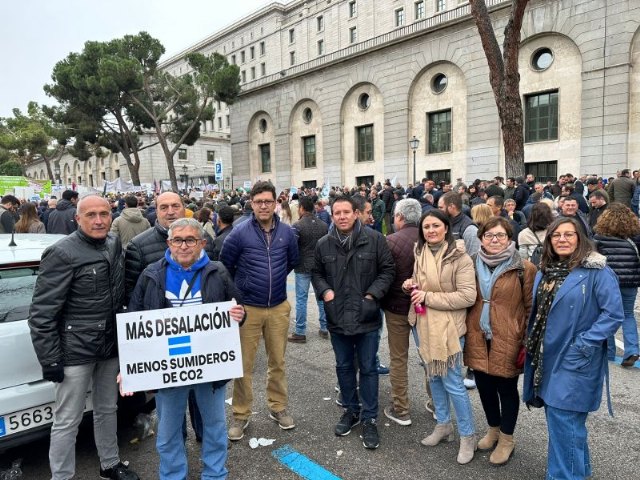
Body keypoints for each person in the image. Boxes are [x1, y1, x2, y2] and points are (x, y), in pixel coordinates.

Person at [28, 195, 138, 480]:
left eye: (104, 213)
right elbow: (42, 313)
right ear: (78, 218)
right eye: (91, 215)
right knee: (67, 420)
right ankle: (62, 477)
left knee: (107, 409)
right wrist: (50, 359)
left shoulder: (113, 243)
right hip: (74, 351)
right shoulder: (62, 253)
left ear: (111, 215)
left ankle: (109, 464)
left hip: (110, 346)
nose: (99, 220)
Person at [127, 218, 245, 480]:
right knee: (168, 431)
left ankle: (215, 474)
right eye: (178, 240)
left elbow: (238, 309)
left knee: (214, 427)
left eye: (190, 240)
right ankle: (172, 475)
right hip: (168, 368)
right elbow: (135, 318)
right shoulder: (151, 274)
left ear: (202, 243)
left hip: (210, 368)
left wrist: (240, 314)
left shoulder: (218, 271)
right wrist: (130, 364)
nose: (184, 245)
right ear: (169, 243)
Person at [523, 217, 623, 479]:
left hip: (575, 358)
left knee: (564, 422)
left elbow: (613, 314)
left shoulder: (597, 272)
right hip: (547, 357)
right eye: (556, 235)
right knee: (568, 428)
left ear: (581, 238)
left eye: (569, 234)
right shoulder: (546, 269)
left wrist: (584, 343)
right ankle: (580, 472)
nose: (562, 240)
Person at [125, 192, 217, 441]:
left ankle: (203, 435)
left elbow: (216, 279)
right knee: (171, 405)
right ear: (155, 210)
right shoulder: (139, 245)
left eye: (175, 205)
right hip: (163, 343)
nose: (170, 211)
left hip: (202, 338)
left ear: (183, 207)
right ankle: (178, 445)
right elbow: (134, 296)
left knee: (201, 393)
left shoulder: (204, 238)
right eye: (163, 207)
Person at [312, 196, 395, 449]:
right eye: (336, 212)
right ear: (332, 215)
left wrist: (372, 295)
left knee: (369, 368)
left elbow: (388, 270)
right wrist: (325, 292)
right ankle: (351, 409)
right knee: (344, 366)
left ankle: (370, 418)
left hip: (366, 316)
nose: (341, 216)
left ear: (356, 213)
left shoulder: (374, 239)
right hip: (338, 317)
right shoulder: (324, 244)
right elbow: (316, 272)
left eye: (346, 212)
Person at [220, 181, 299, 440]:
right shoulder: (239, 233)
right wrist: (240, 295)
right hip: (248, 309)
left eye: (268, 201)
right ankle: (241, 415)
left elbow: (291, 262)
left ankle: (278, 407)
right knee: (243, 365)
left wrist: (273, 284)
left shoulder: (287, 233)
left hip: (277, 307)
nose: (263, 206)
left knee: (278, 361)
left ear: (276, 202)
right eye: (258, 201)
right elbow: (225, 268)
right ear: (251, 204)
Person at [402, 209, 477, 464]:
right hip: (423, 325)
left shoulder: (460, 257)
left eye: (436, 226)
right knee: (433, 377)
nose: (431, 230)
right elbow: (420, 280)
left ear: (446, 228)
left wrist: (427, 297)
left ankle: (468, 436)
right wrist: (410, 283)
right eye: (426, 227)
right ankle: (443, 425)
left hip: (449, 329)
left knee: (453, 383)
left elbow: (468, 296)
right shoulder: (419, 252)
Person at [465, 217, 536, 465]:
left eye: (500, 235)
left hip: (508, 336)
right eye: (489, 235)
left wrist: (526, 338)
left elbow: (530, 307)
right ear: (481, 238)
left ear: (509, 238)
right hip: (477, 334)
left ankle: (507, 438)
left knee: (506, 389)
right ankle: (493, 428)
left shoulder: (523, 268)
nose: (494, 240)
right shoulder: (471, 263)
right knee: (484, 387)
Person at [381, 199, 421, 426]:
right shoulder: (429, 240)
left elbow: (385, 275)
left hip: (396, 308)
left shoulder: (390, 241)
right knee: (429, 357)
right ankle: (437, 406)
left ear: (399, 217)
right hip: (423, 307)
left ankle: (401, 408)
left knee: (398, 358)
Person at [593, 203, 640, 367]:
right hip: (631, 281)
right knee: (628, 314)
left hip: (608, 282)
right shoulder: (636, 236)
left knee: (606, 314)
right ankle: (632, 349)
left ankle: (609, 352)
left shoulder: (599, 237)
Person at [289, 195, 329, 342]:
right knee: (321, 298)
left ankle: (300, 332)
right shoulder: (323, 225)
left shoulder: (297, 226)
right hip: (319, 266)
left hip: (302, 266)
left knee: (301, 299)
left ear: (301, 208)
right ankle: (325, 328)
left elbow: (292, 247)